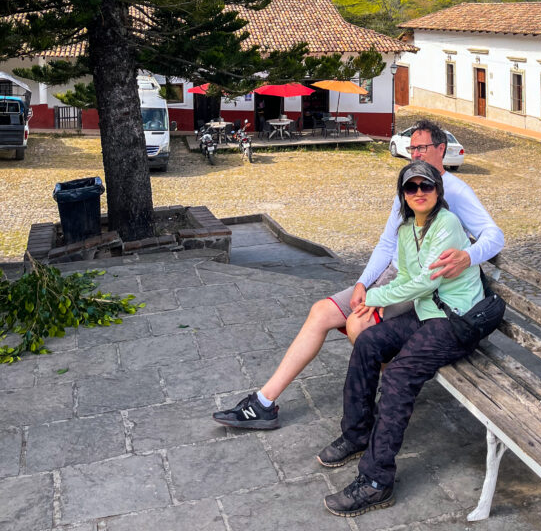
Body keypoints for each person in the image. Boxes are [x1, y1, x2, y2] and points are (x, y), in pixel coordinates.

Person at [212, 119, 503, 431]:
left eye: (423, 147)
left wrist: (468, 256)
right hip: (393, 274)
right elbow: (387, 243)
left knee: (358, 324)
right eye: (412, 147)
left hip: (421, 286)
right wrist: (364, 282)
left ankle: (390, 393)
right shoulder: (409, 185)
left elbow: (494, 235)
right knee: (321, 311)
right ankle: (264, 402)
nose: (416, 153)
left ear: (441, 149)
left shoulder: (456, 191)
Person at [319, 160, 485, 517]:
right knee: (368, 342)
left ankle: (377, 481)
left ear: (438, 192)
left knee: (397, 376)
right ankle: (357, 433)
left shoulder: (448, 225)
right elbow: (405, 279)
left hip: (454, 321)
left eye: (427, 186)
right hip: (428, 314)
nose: (420, 193)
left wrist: (372, 298)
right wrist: (370, 300)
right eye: (412, 188)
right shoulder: (408, 229)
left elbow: (426, 282)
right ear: (404, 195)